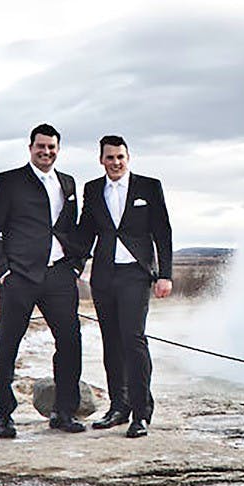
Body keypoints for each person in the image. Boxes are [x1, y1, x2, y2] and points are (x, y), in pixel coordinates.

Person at [0, 123, 88, 438]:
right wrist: (3, 272)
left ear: (58, 149)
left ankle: (64, 411)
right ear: (30, 148)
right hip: (20, 277)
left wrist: (76, 265)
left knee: (70, 342)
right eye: (41, 146)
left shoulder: (67, 183)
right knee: (6, 346)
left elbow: (72, 228)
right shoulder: (9, 181)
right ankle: (4, 415)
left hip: (58, 275)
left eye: (52, 147)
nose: (46, 152)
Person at [79, 134, 173, 438]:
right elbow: (85, 233)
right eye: (110, 157)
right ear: (101, 160)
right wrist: (70, 263)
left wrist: (165, 274)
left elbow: (163, 232)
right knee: (111, 342)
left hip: (136, 273)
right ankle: (119, 407)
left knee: (133, 340)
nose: (115, 162)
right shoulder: (92, 190)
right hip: (104, 276)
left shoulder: (149, 187)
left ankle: (141, 412)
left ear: (128, 158)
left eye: (120, 157)